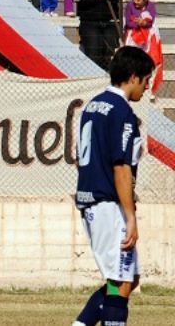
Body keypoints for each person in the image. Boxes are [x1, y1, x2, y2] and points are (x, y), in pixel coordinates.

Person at [71, 46, 154, 326]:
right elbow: (121, 168)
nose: (146, 88)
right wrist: (130, 217)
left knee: (128, 278)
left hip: (91, 199)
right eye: (145, 81)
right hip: (107, 203)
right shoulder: (122, 112)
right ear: (133, 77)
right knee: (119, 281)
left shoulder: (93, 106)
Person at [78, 0, 120, 70]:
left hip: (108, 23)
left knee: (110, 44)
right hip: (90, 23)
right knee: (94, 45)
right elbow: (83, 2)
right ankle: (94, 72)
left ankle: (107, 71)